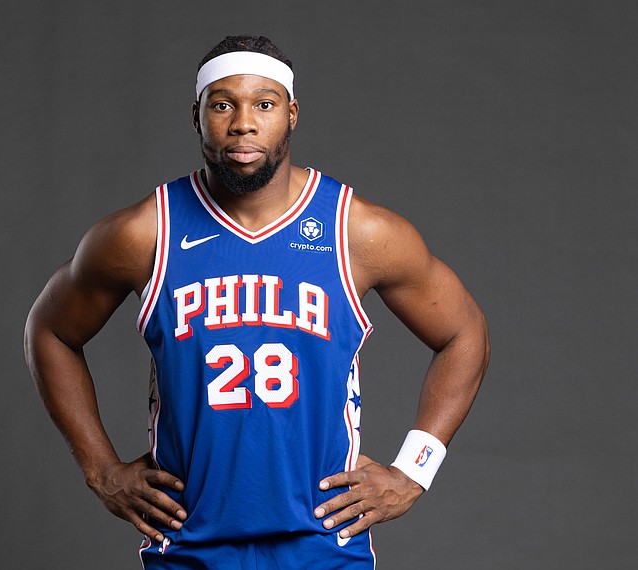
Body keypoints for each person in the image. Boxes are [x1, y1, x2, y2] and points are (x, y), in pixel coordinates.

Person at [25, 35, 489, 569]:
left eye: (264, 104)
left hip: (325, 546)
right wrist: (101, 470)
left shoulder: (355, 232)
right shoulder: (145, 232)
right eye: (222, 104)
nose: (243, 122)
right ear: (196, 115)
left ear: (291, 114)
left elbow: (464, 332)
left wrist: (416, 469)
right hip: (188, 542)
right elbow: (51, 331)